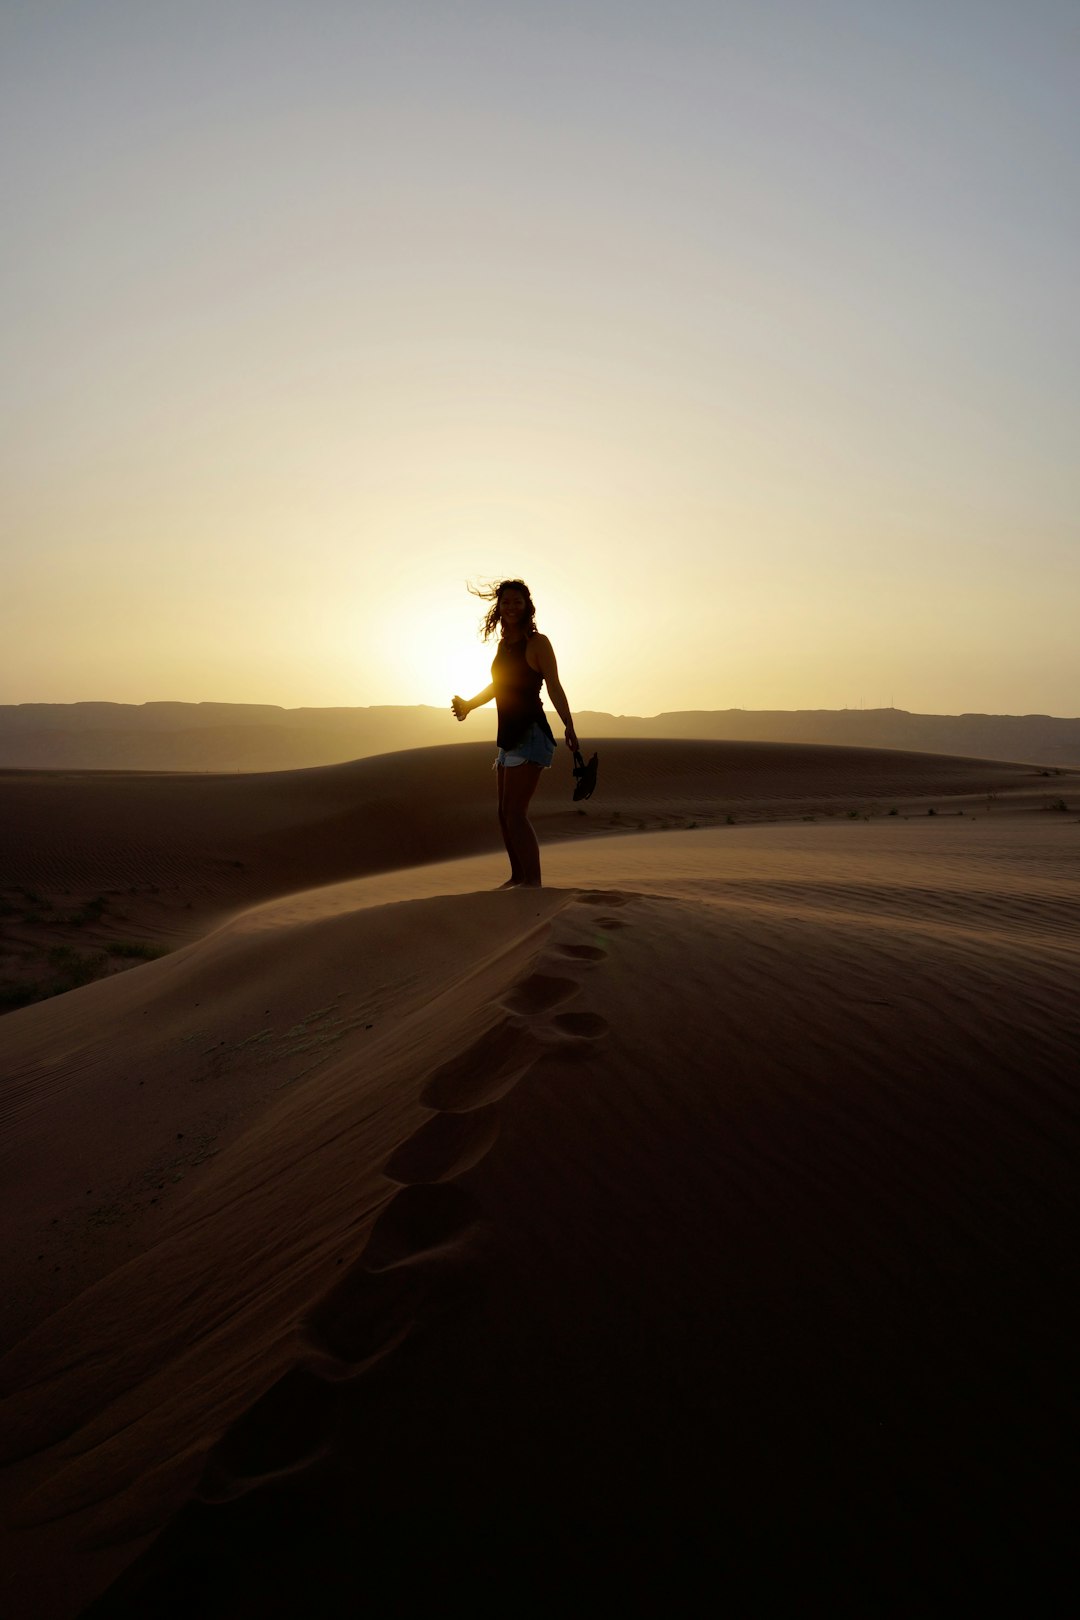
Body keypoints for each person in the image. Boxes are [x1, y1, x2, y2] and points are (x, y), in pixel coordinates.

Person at [451, 579, 579, 888]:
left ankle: (532, 884)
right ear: (500, 606)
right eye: (506, 601)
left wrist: (569, 725)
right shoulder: (504, 645)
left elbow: (554, 685)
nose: (511, 606)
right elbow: (499, 686)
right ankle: (517, 877)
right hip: (507, 738)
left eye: (517, 601)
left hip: (531, 734)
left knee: (515, 813)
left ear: (527, 606)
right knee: (503, 814)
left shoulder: (538, 643)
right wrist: (470, 704)